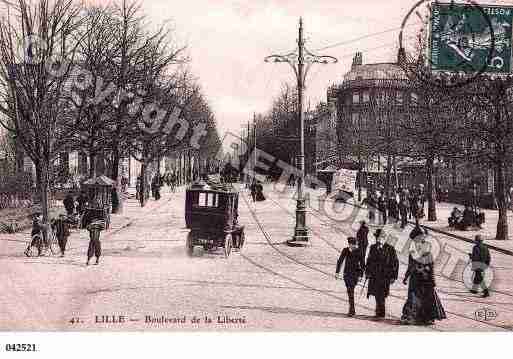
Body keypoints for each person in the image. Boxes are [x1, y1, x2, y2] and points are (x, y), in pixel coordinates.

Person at [401, 233, 446, 325]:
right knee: (413, 298)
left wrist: (432, 280)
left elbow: (431, 268)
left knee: (427, 298)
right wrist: (406, 277)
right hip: (415, 278)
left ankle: (427, 318)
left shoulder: (428, 254)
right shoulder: (412, 253)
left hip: (426, 279)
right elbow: (410, 266)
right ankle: (411, 317)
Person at [365, 229, 399, 318]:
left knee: (382, 294)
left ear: (384, 238)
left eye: (380, 237)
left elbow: (395, 263)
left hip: (385, 276)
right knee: (376, 293)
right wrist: (367, 272)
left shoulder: (390, 248)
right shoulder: (372, 247)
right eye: (377, 237)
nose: (378, 239)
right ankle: (378, 311)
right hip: (375, 275)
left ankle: (381, 312)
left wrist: (394, 276)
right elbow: (369, 261)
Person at [336, 237, 364, 317]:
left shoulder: (359, 251)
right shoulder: (345, 250)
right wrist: (337, 272)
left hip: (355, 274)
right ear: (349, 244)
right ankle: (352, 309)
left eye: (354, 245)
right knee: (350, 291)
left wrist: (361, 275)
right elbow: (340, 260)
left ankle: (352, 309)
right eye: (351, 245)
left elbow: (362, 264)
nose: (353, 246)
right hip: (347, 274)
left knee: (350, 291)